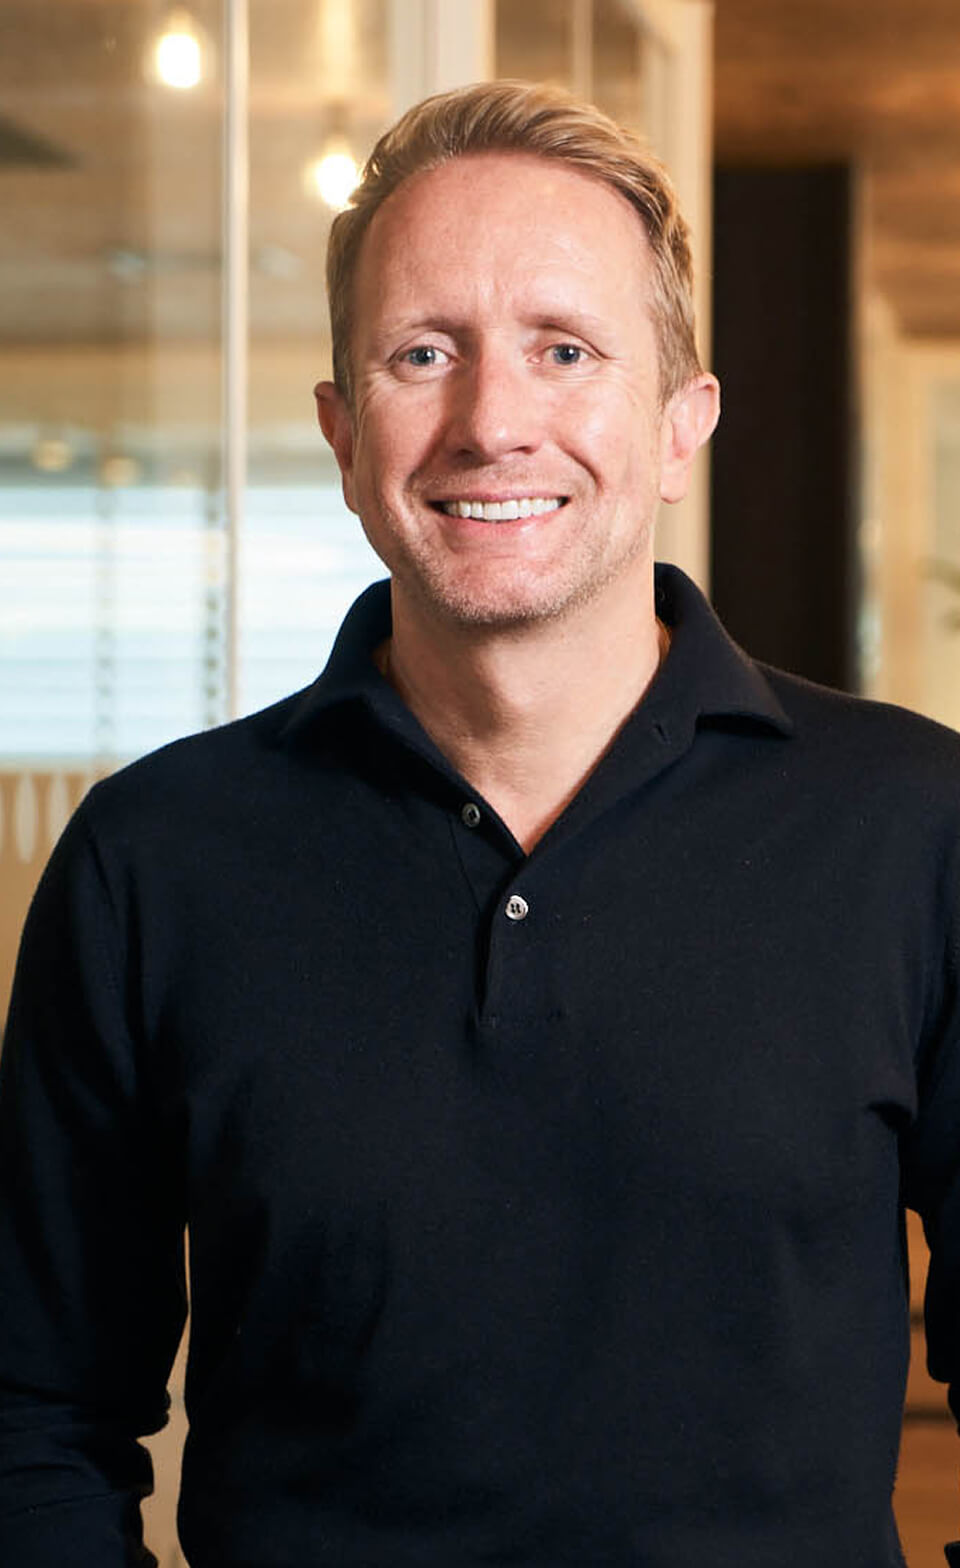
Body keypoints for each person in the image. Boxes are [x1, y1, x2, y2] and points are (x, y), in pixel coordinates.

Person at [1, 78, 959, 1568]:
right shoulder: (152, 860)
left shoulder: (915, 826)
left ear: (680, 425)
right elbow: (32, 1417)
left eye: (565, 350)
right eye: (422, 353)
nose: (492, 421)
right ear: (342, 432)